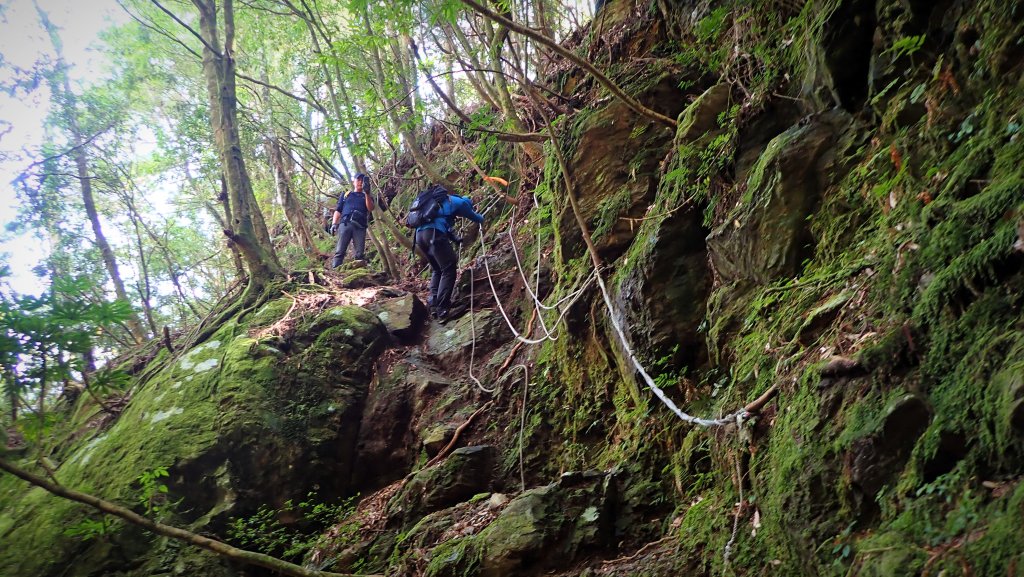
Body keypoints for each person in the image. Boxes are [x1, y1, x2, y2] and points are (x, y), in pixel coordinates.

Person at [414, 185, 484, 321]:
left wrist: (455, 238)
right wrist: (482, 219)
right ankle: (443, 309)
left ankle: (433, 306)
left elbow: (443, 223)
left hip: (419, 236)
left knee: (437, 269)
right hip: (434, 234)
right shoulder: (461, 202)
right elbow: (473, 216)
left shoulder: (438, 203)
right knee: (449, 268)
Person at [330, 173, 374, 268]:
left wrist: (367, 193)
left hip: (360, 226)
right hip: (345, 223)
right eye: (358, 180)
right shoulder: (346, 195)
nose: (360, 182)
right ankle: (335, 272)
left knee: (359, 253)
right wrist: (334, 223)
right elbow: (338, 210)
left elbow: (370, 208)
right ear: (354, 182)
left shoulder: (367, 196)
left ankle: (359, 275)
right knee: (340, 250)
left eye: (362, 181)